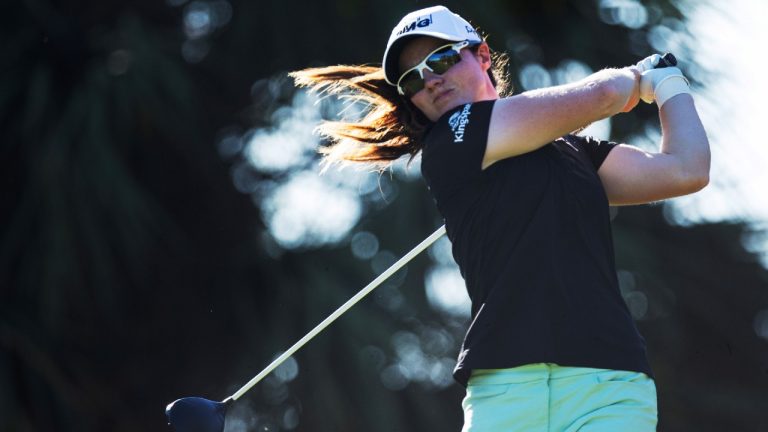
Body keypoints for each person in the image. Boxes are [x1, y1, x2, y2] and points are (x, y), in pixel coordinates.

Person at [291, 5, 709, 431]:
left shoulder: (576, 151)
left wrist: (670, 83)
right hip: (507, 392)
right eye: (412, 79)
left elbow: (686, 169)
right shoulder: (450, 141)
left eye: (441, 59)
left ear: (483, 56)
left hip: (608, 385)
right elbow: (603, 96)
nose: (431, 79)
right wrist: (637, 78)